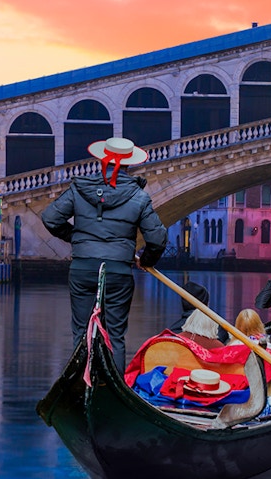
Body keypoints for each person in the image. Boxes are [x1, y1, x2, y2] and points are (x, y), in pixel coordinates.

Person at [41, 137, 167, 369]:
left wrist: (78, 238)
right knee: (115, 336)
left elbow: (50, 218)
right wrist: (147, 260)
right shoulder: (139, 197)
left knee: (81, 332)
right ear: (129, 164)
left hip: (83, 269)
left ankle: (81, 386)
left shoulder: (79, 189)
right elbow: (157, 239)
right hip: (118, 272)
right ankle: (114, 388)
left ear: (102, 159)